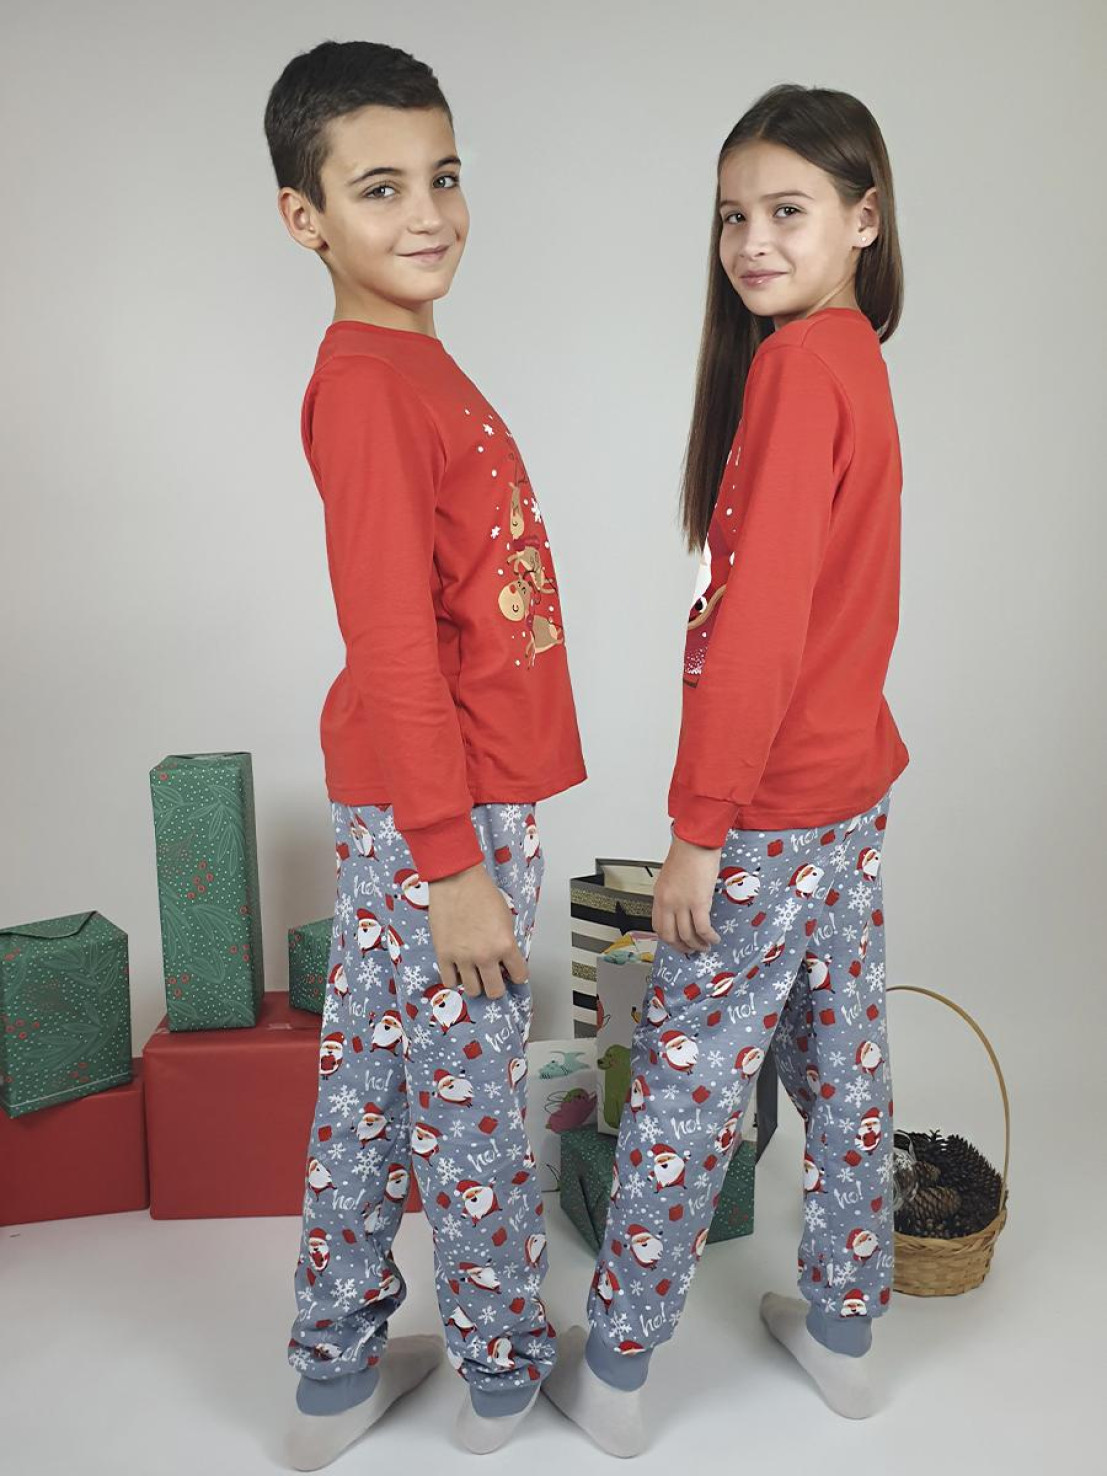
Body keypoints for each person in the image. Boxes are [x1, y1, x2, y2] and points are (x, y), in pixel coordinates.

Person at [542, 83, 910, 1455]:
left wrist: (700, 828)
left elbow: (756, 632)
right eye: (731, 217)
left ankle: (618, 1375)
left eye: (787, 211)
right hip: (848, 791)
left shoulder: (802, 369)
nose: (753, 242)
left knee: (686, 1082)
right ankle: (846, 1330)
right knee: (844, 1058)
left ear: (864, 219)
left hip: (773, 804)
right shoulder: (850, 356)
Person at [263, 40, 586, 1468]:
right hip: (443, 807)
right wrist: (454, 867)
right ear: (307, 217)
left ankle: (334, 1370)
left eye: (443, 177)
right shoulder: (368, 386)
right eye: (380, 187)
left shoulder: (412, 362)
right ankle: (503, 1370)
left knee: (376, 1084)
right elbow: (394, 643)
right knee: (466, 1095)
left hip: (426, 799)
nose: (429, 213)